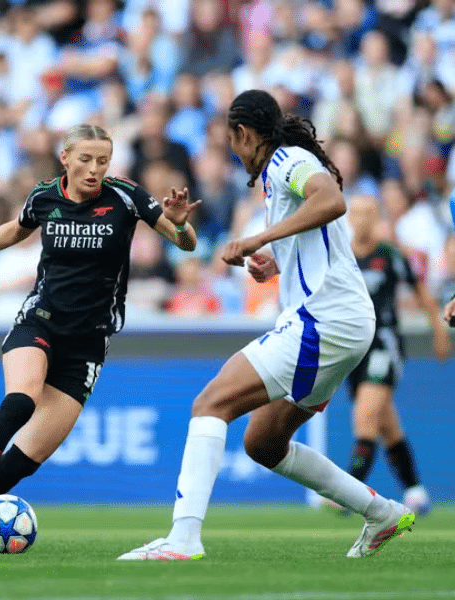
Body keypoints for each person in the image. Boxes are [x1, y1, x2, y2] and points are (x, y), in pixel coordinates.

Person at [118, 89, 414, 562]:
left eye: (233, 140)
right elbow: (323, 237)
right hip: (345, 320)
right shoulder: (281, 173)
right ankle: (380, 512)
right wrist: (275, 260)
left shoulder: (285, 162)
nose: (234, 153)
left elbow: (332, 201)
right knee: (263, 443)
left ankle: (183, 539)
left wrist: (258, 236)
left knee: (211, 403)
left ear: (244, 133)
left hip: (325, 320)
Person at [0, 123, 201, 553]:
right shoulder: (44, 195)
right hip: (40, 321)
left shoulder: (126, 196)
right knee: (22, 399)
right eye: (85, 159)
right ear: (65, 158)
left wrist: (180, 226)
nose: (94, 169)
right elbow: (15, 229)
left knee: (26, 460)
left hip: (88, 342)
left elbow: (187, 244)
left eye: (102, 161)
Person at [324, 195, 449, 516]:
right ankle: (415, 491)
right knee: (386, 424)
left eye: (369, 212)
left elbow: (419, 289)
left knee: (365, 417)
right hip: (353, 350)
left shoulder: (390, 255)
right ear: (349, 218)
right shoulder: (339, 256)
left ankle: (348, 493)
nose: (363, 219)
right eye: (358, 213)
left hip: (384, 344)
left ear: (377, 217)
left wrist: (438, 331)